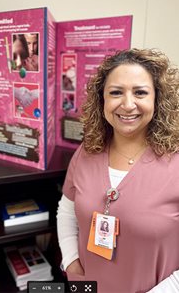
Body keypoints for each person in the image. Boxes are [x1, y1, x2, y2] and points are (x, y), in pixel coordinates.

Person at [57, 48, 179, 293]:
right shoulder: (87, 151)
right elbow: (67, 210)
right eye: (116, 92)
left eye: (140, 92)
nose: (127, 104)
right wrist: (70, 258)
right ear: (102, 99)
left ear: (158, 99)